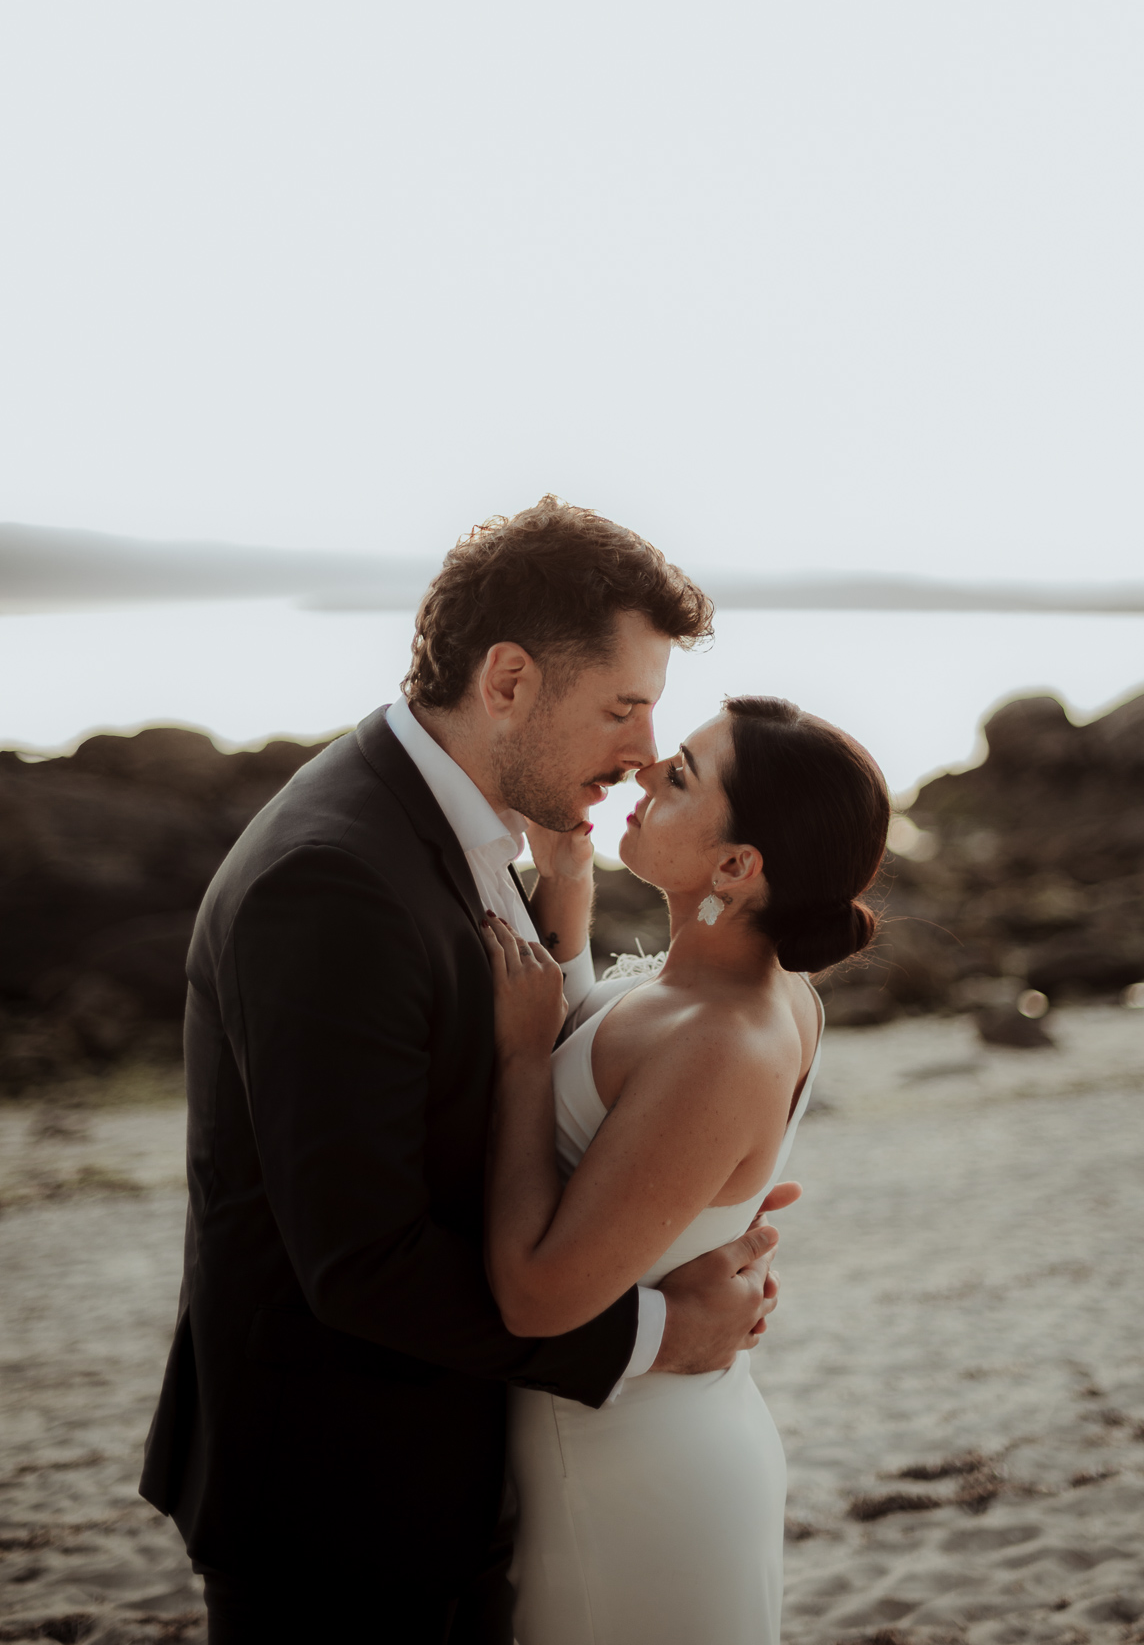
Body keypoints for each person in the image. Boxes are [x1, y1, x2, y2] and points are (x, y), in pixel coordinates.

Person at [139, 497, 793, 1644]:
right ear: (506, 682)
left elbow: (529, 1069)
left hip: (460, 1470)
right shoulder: (331, 882)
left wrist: (680, 1217)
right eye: (623, 708)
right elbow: (361, 1264)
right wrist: (657, 1332)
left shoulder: (479, 830)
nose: (645, 750)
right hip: (343, 1505)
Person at [482, 694, 889, 1644]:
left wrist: (516, 1060)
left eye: (682, 776)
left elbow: (538, 1297)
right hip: (654, 1434)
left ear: (736, 867)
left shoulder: (721, 1041)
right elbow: (611, 1091)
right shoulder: (743, 989)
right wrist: (568, 905)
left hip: (629, 1476)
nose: (648, 768)